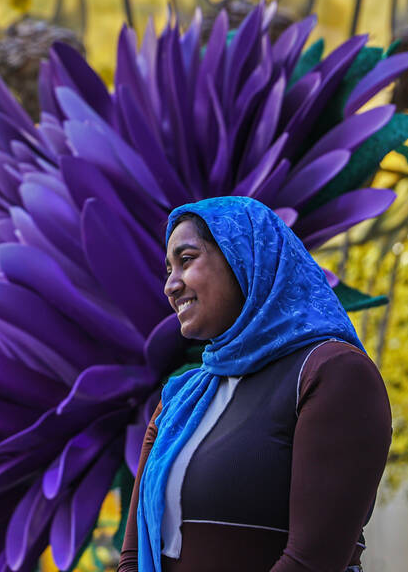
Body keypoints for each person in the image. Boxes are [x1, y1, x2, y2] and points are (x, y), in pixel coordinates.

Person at [119, 196, 392, 572]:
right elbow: (132, 559)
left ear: (243, 257)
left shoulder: (332, 372)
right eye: (168, 269)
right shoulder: (180, 399)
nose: (170, 285)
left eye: (186, 260)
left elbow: (310, 563)